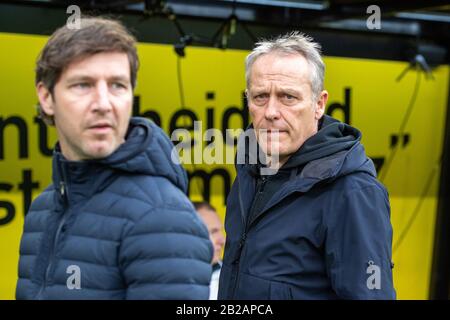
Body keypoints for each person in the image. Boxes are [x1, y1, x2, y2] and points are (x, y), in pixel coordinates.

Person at [16, 17, 212, 300]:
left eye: (117, 85)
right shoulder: (43, 208)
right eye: (83, 85)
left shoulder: (162, 216)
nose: (103, 104)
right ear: (46, 97)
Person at [218, 31, 396, 300]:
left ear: (319, 104)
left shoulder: (353, 192)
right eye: (260, 97)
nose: (271, 112)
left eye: (288, 97)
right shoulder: (248, 172)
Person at [193, 202, 226, 300]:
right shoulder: (172, 279)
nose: (222, 240)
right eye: (213, 231)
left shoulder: (232, 278)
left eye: (221, 231)